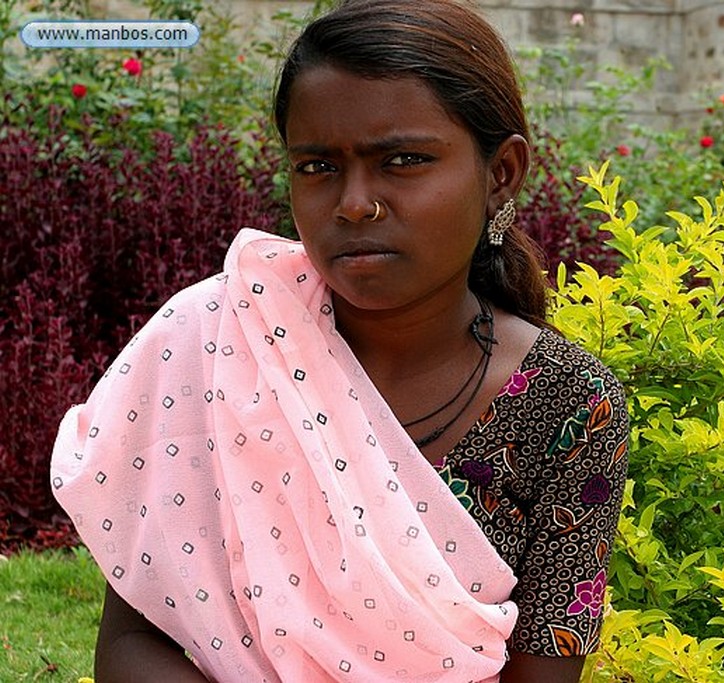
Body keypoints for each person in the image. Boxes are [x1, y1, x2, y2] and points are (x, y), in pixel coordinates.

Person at [50, 0, 629, 681]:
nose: (354, 202)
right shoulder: (217, 344)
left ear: (500, 173)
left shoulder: (569, 403)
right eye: (318, 167)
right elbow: (129, 642)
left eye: (403, 160)